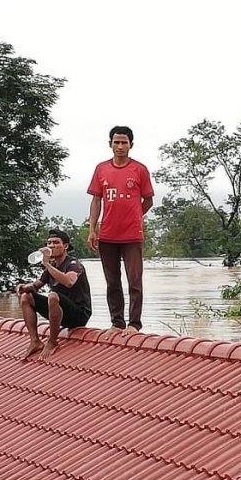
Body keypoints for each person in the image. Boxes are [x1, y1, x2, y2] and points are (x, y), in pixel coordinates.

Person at [87, 126, 154, 335]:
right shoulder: (101, 169)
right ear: (110, 144)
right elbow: (96, 200)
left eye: (124, 142)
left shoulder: (139, 170)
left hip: (132, 235)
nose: (120, 146)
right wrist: (92, 229)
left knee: (134, 280)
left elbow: (149, 200)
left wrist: (135, 216)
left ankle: (134, 324)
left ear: (131, 145)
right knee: (112, 281)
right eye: (116, 142)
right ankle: (117, 323)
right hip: (107, 234)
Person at [16, 229, 92, 360]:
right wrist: (23, 287)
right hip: (59, 310)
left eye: (56, 243)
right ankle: (35, 341)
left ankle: (52, 341)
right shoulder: (52, 266)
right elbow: (36, 286)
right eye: (49, 243)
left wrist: (46, 265)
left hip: (78, 314)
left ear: (65, 246)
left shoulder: (74, 264)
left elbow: (69, 282)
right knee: (26, 297)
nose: (51, 246)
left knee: (52, 296)